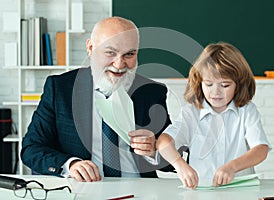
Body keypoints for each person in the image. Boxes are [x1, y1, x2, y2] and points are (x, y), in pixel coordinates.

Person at [21, 16, 172, 182]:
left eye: (129, 54)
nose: (119, 64)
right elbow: (31, 149)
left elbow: (175, 159)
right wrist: (70, 165)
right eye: (110, 53)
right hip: (85, 188)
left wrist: (155, 151)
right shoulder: (60, 88)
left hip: (138, 188)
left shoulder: (152, 92)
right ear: (91, 48)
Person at [156, 42, 272, 189]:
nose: (216, 92)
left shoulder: (247, 111)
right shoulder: (191, 113)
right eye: (209, 84)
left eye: (224, 85)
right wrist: (180, 165)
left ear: (239, 84)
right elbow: (163, 142)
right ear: (199, 82)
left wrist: (232, 167)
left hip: (240, 190)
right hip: (201, 191)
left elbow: (261, 149)